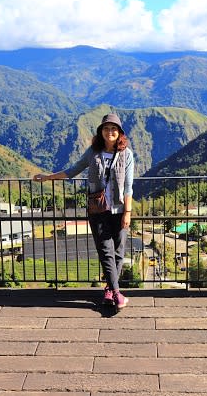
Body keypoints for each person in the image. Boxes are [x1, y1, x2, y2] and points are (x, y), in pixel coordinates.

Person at [33, 113, 135, 310]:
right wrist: (47, 177)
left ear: (120, 132)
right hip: (97, 210)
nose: (110, 132)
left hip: (120, 209)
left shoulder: (127, 154)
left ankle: (109, 289)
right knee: (105, 251)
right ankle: (116, 293)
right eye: (106, 128)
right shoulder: (93, 152)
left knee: (119, 251)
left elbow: (129, 186)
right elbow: (72, 170)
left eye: (114, 129)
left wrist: (127, 212)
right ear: (101, 132)